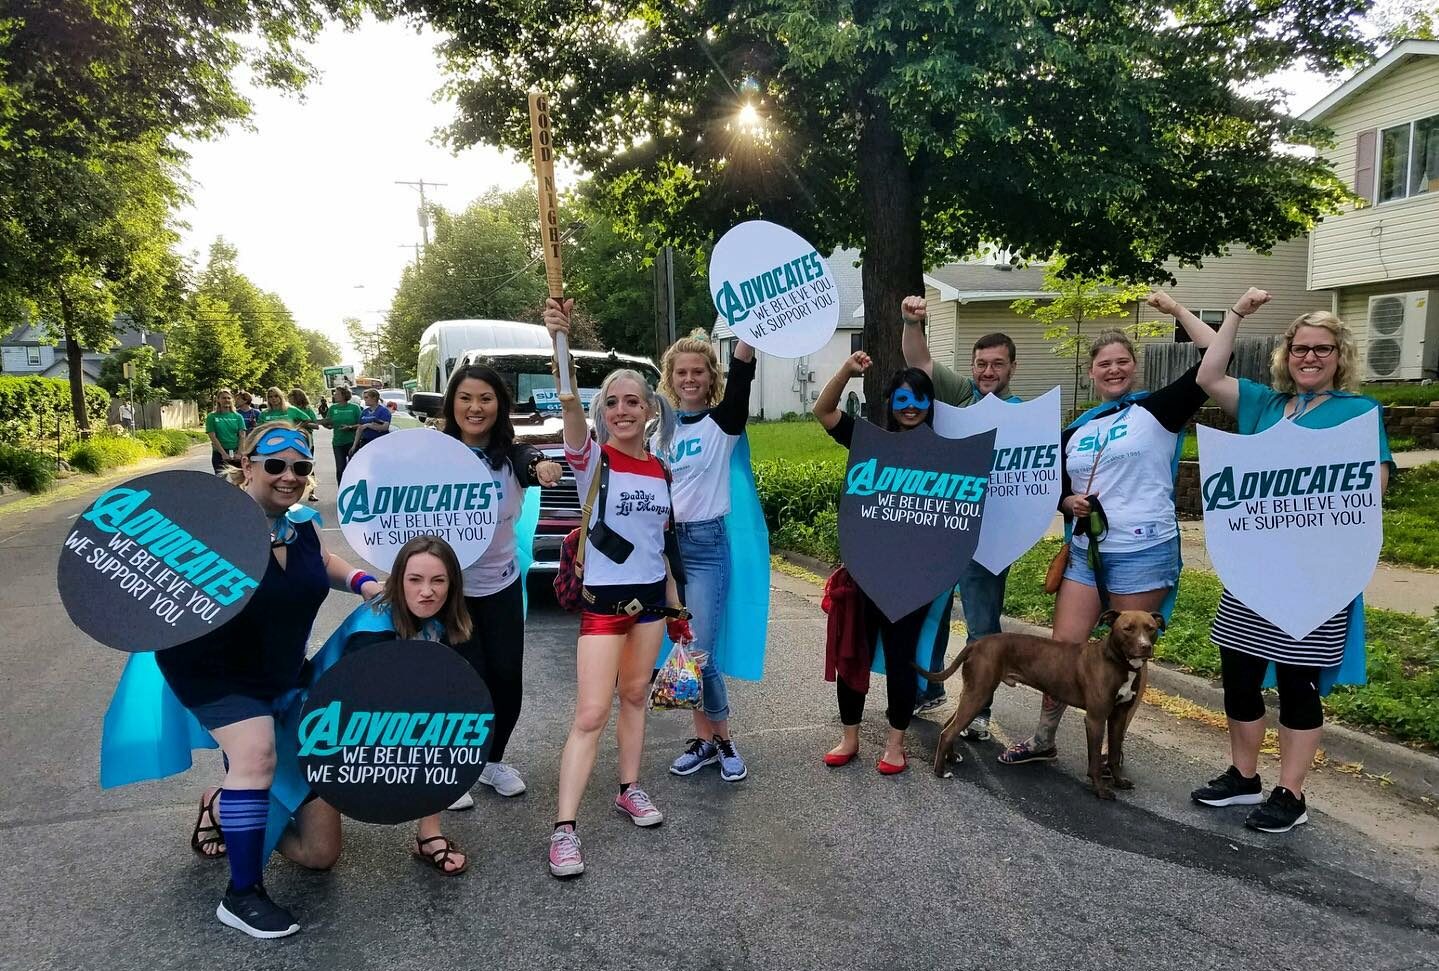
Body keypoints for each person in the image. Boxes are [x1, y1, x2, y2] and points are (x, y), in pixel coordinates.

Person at [152, 422, 383, 938]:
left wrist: (366, 583)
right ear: (246, 463)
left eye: (300, 467)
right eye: (275, 465)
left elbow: (322, 562)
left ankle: (223, 801)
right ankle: (242, 894)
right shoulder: (214, 525)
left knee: (320, 854)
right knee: (256, 756)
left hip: (282, 677)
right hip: (214, 673)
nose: (289, 476)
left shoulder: (299, 525)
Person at [1189, 293, 1393, 833]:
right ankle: (1244, 775)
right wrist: (1232, 315)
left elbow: (1372, 486)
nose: (1309, 357)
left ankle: (1292, 793)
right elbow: (1210, 375)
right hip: (1254, 574)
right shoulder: (1262, 404)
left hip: (1318, 578)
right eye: (1300, 348)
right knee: (1239, 676)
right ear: (1287, 353)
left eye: (1321, 349)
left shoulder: (1358, 412)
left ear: (1339, 354)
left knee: (1298, 686)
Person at [998, 295, 1219, 766]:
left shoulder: (1159, 410)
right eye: (1104, 364)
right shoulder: (1079, 427)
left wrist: (1180, 311)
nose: (1114, 370)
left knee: (1129, 658)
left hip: (1144, 551)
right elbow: (1050, 478)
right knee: (1062, 651)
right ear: (1091, 372)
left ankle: (1112, 754)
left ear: (1134, 368)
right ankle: (1043, 741)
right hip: (1086, 551)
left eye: (1122, 362)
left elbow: (1217, 356)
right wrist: (1064, 500)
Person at [543, 297, 688, 879]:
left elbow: (659, 546)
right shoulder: (591, 458)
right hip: (602, 608)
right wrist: (561, 339)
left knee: (635, 697)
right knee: (591, 712)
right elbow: (570, 405)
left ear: (651, 409)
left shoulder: (661, 469)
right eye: (613, 403)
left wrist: (679, 608)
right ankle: (564, 830)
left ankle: (629, 788)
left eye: (633, 401)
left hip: (652, 602)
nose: (622, 410)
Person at [279, 535, 478, 874]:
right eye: (415, 580)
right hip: (309, 738)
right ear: (398, 580)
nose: (426, 591)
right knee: (320, 855)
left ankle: (428, 835)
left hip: (353, 730)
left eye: (438, 581)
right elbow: (359, 719)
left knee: (441, 723)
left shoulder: (439, 619)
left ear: (451, 585)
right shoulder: (373, 632)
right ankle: (231, 811)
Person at [436, 363, 563, 807]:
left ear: (500, 406)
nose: (476, 407)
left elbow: (532, 461)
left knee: (507, 677)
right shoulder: (434, 454)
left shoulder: (513, 454)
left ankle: (491, 761)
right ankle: (453, 768)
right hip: (450, 593)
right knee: (463, 679)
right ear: (453, 404)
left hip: (502, 585)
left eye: (486, 399)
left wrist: (544, 466)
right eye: (466, 398)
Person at [813, 350, 940, 775]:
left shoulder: (944, 454)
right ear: (889, 403)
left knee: (902, 658)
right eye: (901, 399)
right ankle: (849, 737)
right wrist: (846, 371)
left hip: (913, 580)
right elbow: (823, 410)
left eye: (918, 399)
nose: (909, 408)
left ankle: (895, 744)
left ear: (930, 404)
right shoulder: (868, 440)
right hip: (864, 572)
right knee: (853, 653)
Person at [900, 294, 1022, 738]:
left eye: (997, 364)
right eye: (981, 363)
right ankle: (927, 689)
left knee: (983, 627)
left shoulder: (1023, 416)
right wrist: (913, 323)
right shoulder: (960, 396)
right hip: (945, 528)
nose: (988, 371)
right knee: (929, 613)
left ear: (1011, 368)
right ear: (972, 366)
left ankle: (979, 711)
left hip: (989, 539)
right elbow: (922, 363)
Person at [655, 334, 765, 783]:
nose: (689, 379)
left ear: (710, 377)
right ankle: (704, 742)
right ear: (670, 378)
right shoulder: (657, 429)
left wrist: (750, 334)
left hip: (703, 547)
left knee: (699, 652)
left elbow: (741, 379)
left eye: (698, 371)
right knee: (682, 649)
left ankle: (723, 741)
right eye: (681, 372)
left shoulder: (722, 425)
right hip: (662, 550)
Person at [287, 389, 323, 502]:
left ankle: (311, 492)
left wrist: (300, 424)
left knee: (308, 466)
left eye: (291, 397)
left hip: (306, 440)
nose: (289, 400)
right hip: (291, 441)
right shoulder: (288, 410)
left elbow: (316, 425)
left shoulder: (307, 409)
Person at [321, 385, 362, 483]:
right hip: (338, 443)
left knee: (353, 468)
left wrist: (350, 427)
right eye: (335, 393)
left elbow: (361, 424)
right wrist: (325, 424)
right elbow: (329, 423)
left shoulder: (354, 408)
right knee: (340, 469)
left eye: (337, 394)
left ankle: (354, 488)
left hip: (352, 442)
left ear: (344, 395)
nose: (334, 395)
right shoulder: (332, 408)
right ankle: (341, 491)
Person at [204, 388, 246, 475]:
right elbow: (212, 436)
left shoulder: (238, 416)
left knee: (237, 481)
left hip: (235, 453)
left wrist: (239, 453)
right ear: (218, 400)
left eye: (228, 398)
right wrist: (223, 453)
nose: (226, 400)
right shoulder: (212, 416)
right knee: (221, 481)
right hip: (219, 454)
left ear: (232, 400)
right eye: (223, 398)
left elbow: (242, 435)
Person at [349, 387, 392, 456]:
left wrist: (368, 425)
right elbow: (359, 429)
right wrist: (354, 445)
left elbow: (385, 427)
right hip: (365, 442)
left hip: (379, 442)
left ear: (374, 398)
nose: (364, 400)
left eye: (366, 397)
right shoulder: (364, 412)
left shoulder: (383, 411)